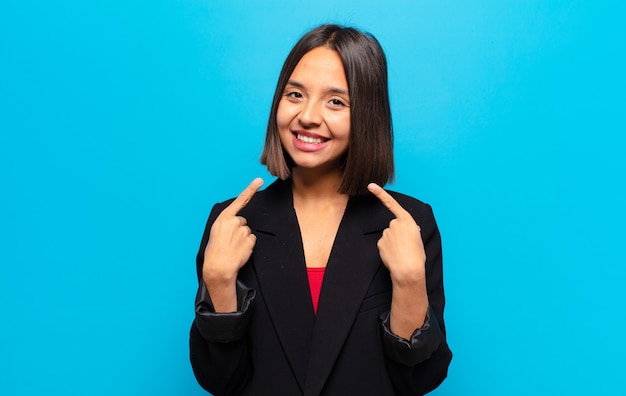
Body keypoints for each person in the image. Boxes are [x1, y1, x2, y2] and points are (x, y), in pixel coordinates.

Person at [189, 24, 452, 396]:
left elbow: (420, 381)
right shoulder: (231, 222)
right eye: (295, 94)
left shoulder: (410, 224)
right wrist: (217, 281)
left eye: (336, 101)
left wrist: (410, 282)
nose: (308, 116)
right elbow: (221, 380)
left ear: (367, 115)